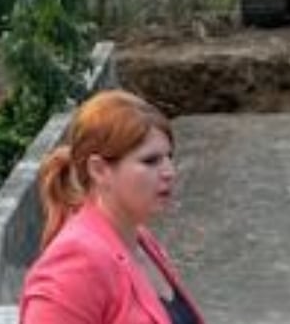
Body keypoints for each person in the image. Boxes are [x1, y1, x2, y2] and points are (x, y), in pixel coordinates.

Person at [19, 90, 206, 324]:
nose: (169, 172)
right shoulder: (75, 265)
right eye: (150, 161)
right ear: (98, 170)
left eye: (169, 157)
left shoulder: (140, 240)